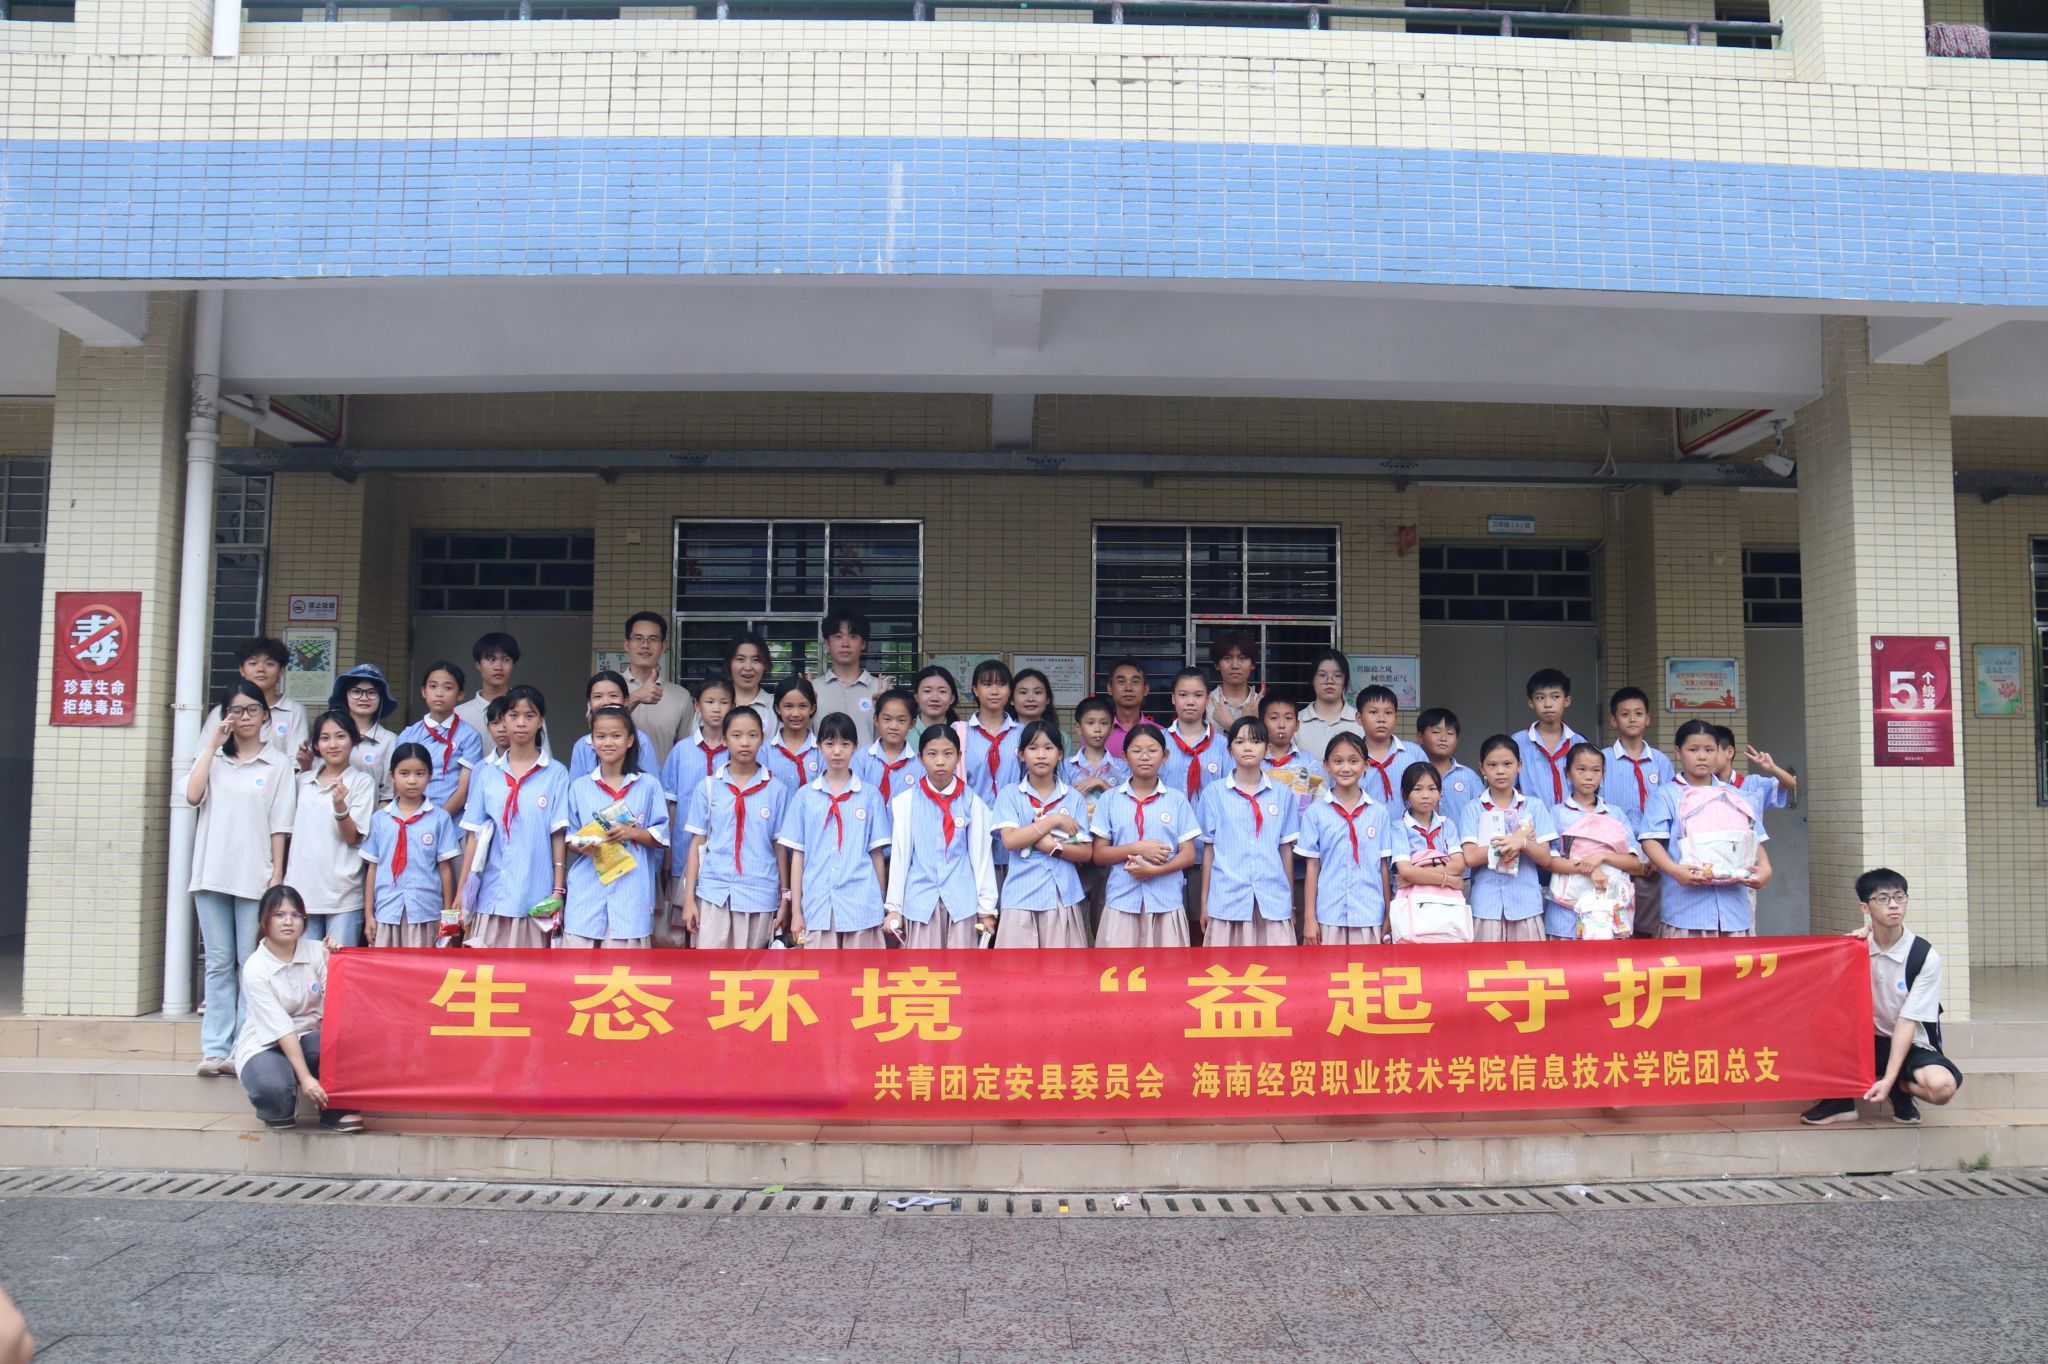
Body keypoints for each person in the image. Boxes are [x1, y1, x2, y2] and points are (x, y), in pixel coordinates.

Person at [185, 680, 296, 1078]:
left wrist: (277, 874)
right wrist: (211, 745)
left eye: (252, 709)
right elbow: (192, 796)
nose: (245, 717)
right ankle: (214, 1049)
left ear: (265, 715)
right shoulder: (213, 757)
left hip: (256, 876)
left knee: (251, 963)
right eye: (236, 710)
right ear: (225, 715)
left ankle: (244, 1047)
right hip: (211, 873)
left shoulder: (278, 763)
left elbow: (280, 825)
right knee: (218, 963)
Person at [1802, 869, 1964, 1127]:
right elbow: (1830, 997)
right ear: (1865, 907)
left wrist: (1888, 1081)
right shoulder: (1854, 947)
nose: (1893, 905)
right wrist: (1845, 950)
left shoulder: (1923, 956)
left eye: (1899, 897)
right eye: (1883, 898)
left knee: (1942, 1088)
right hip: (1865, 1041)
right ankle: (1840, 1100)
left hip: (1911, 1042)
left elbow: (1907, 1022)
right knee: (1822, 1014)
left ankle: (1900, 1088)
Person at [232, 885, 363, 1133]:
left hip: (310, 1035)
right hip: (265, 1042)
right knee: (272, 1088)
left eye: (296, 915)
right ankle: (281, 1101)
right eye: (279, 915)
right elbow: (281, 1028)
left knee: (344, 1044)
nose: (288, 922)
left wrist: (334, 963)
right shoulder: (255, 968)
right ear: (264, 920)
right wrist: (306, 1078)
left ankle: (336, 1109)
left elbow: (338, 1004)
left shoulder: (317, 951)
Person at [454, 685, 571, 949]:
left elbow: (558, 835)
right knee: (485, 969)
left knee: (530, 969)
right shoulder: (486, 772)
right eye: (513, 715)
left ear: (540, 721)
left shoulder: (556, 773)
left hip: (535, 895)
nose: (521, 723)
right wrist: (462, 890)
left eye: (529, 716)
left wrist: (558, 889)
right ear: (503, 719)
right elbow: (474, 835)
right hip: (490, 894)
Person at [1640, 718, 1772, 937]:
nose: (1702, 756)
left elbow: (1753, 838)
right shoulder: (1667, 795)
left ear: (1719, 752)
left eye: (1709, 750)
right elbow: (1650, 840)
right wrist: (1674, 870)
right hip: (1686, 911)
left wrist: (1766, 868)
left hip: (1735, 912)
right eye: (1693, 749)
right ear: (1678, 752)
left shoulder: (1735, 795)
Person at [680, 706, 791, 949]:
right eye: (736, 735)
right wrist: (689, 900)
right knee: (711, 967)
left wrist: (785, 897)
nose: (745, 743)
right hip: (714, 892)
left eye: (752, 735)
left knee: (752, 969)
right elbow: (697, 844)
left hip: (759, 893)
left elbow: (780, 847)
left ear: (762, 739)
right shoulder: (708, 787)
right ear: (724, 740)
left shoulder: (777, 790)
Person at [780, 712, 891, 949]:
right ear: (819, 746)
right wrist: (796, 911)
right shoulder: (805, 796)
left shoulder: (870, 795)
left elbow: (876, 854)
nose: (837, 751)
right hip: (818, 902)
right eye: (830, 744)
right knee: (820, 969)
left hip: (862, 902)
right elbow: (798, 855)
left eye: (845, 744)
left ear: (855, 747)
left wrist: (880, 902)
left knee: (862, 970)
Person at [562, 705, 669, 948]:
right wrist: (582, 845)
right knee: (578, 964)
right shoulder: (579, 787)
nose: (608, 742)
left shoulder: (648, 785)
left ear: (630, 740)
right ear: (592, 741)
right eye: (600, 736)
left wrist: (633, 833)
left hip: (631, 892)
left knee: (625, 965)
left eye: (616, 736)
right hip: (587, 890)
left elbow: (661, 836)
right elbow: (568, 837)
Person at [883, 724, 997, 948]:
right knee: (922, 968)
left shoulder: (973, 803)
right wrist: (895, 907)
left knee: (961, 967)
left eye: (948, 754)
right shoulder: (906, 802)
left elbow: (982, 858)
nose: (940, 761)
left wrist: (986, 908)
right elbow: (900, 857)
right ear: (920, 758)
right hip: (920, 902)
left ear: (959, 757)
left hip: (962, 902)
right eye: (932, 754)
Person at [1090, 723, 1199, 948]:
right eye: (1137, 751)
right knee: (1118, 967)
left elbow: (1188, 855)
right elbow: (1099, 855)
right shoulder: (1110, 799)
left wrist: (1155, 871)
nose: (1145, 757)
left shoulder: (1176, 800)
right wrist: (1137, 848)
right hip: (1122, 900)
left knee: (1167, 967)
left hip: (1166, 901)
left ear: (1165, 756)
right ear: (1124, 757)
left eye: (1152, 750)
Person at [991, 720, 1094, 947]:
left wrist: (1051, 847)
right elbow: (1011, 840)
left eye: (1048, 748)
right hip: (1020, 896)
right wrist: (1054, 820)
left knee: (1062, 967)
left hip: (1062, 895)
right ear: (1021, 754)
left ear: (1060, 754)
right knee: (1019, 968)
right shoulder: (1010, 794)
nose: (1040, 755)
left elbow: (1086, 852)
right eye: (1033, 748)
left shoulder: (1073, 797)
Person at [1199, 716, 1299, 947]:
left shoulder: (1282, 794)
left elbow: (1285, 851)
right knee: (1227, 966)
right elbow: (1209, 850)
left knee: (1276, 965)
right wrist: (1205, 903)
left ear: (1267, 749)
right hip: (1227, 897)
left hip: (1273, 898)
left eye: (1255, 741)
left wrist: (1290, 903)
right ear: (1229, 749)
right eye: (1240, 741)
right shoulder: (1214, 793)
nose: (1247, 747)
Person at [284, 710, 376, 948]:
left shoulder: (362, 782)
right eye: (325, 738)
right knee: (304, 966)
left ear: (354, 739)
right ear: (316, 745)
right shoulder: (302, 781)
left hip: (343, 895)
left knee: (339, 965)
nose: (333, 744)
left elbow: (352, 837)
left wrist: (340, 807)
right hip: (301, 892)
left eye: (340, 736)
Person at [361, 742, 461, 947]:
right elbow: (373, 868)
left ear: (430, 776)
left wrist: (448, 918)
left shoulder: (439, 818)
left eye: (420, 774)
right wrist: (369, 915)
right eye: (404, 774)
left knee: (424, 964)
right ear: (392, 776)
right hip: (387, 911)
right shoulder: (380, 819)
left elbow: (445, 869)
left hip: (427, 912)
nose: (412, 780)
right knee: (388, 965)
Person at [1461, 734, 1559, 942]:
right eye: (1492, 765)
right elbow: (1470, 857)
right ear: (1482, 769)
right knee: (1486, 962)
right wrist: (1512, 840)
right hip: (1487, 904)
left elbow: (1545, 858)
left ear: (1519, 765)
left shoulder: (1534, 806)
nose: (1500, 771)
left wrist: (1522, 843)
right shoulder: (1473, 808)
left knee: (1529, 962)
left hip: (1526, 903)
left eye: (1507, 764)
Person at [1298, 731, 1392, 945]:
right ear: (1326, 765)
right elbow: (1312, 867)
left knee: (1368, 967)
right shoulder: (1315, 813)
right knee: (1327, 967)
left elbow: (1383, 866)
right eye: (1338, 761)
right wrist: (1310, 918)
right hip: (1329, 914)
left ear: (1366, 765)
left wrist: (1388, 913)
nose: (1346, 768)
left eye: (1353, 761)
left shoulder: (1379, 813)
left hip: (1369, 913)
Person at [1545, 743, 1645, 941]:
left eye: (1596, 770)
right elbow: (1549, 861)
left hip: (1609, 910)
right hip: (1566, 911)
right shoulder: (1557, 813)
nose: (1588, 776)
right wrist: (1590, 868)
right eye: (1581, 769)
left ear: (1603, 774)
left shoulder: (1615, 813)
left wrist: (1601, 856)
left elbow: (1635, 863)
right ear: (1567, 772)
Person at [1601, 686, 1672, 937]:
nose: (1632, 719)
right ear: (1613, 720)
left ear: (1648, 719)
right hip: (1614, 851)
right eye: (1625, 714)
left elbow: (1670, 810)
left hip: (1652, 852)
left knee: (1647, 926)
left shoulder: (1661, 762)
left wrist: (1660, 856)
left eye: (1638, 713)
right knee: (1612, 922)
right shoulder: (1602, 760)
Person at [1063, 695, 1126, 931]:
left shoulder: (1122, 767)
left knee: (1104, 916)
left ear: (1112, 727)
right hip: (1075, 848)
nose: (1097, 729)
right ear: (1078, 727)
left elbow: (1128, 805)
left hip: (1107, 847)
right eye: (1090, 723)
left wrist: (1102, 784)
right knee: (1073, 916)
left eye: (1104, 723)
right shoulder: (1065, 766)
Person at [203, 636, 309, 768]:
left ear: (281, 671)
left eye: (269, 664)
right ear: (242, 670)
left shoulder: (294, 711)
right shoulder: (221, 712)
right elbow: (203, 757)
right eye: (253, 663)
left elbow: (296, 763)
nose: (261, 669)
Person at [397, 661, 482, 817]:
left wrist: (437, 821)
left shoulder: (470, 736)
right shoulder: (408, 734)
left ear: (460, 695)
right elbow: (399, 781)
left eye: (448, 688)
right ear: (423, 691)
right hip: (410, 819)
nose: (439, 693)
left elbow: (463, 790)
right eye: (433, 686)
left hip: (451, 823)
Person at [454, 631, 551, 758]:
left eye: (506, 660)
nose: (498, 667)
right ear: (478, 664)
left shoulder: (529, 709)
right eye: (491, 659)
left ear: (513, 664)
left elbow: (545, 758)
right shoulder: (459, 714)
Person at [1392, 763, 1466, 923]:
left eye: (1432, 789)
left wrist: (1415, 876)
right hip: (1413, 903)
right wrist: (1448, 880)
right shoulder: (1399, 828)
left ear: (1440, 792)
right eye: (1417, 789)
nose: (1425, 795)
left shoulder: (1447, 825)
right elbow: (1405, 870)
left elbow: (1459, 864)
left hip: (1446, 904)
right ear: (1405, 793)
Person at [621, 612, 695, 763]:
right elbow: (595, 724)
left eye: (653, 639)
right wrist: (636, 697)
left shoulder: (681, 696)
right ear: (627, 645)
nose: (645, 645)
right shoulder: (607, 686)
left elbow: (685, 751)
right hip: (615, 778)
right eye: (638, 638)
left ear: (663, 646)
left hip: (662, 778)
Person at [812, 608, 889, 746]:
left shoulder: (882, 689)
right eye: (838, 636)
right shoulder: (813, 689)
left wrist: (883, 706)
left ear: (863, 643)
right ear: (828, 643)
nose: (845, 643)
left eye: (853, 636)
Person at [855, 688, 923, 836]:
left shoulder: (920, 764)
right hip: (866, 837)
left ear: (912, 723)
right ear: (876, 720)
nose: (893, 726)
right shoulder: (862, 758)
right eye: (887, 719)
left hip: (904, 839)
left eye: (901, 720)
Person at [329, 662, 401, 803]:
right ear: (345, 696)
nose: (364, 698)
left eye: (372, 693)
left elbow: (388, 795)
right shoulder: (329, 732)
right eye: (356, 692)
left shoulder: (390, 740)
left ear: (381, 698)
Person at [1516, 668, 1587, 806]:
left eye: (1555, 697)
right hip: (1531, 817)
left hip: (1572, 817)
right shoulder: (1517, 742)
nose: (1548, 704)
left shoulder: (1579, 743)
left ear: (1567, 700)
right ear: (1531, 703)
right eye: (1540, 698)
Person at [568, 670, 658, 780]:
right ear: (589, 703)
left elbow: (651, 785)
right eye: (597, 696)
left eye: (613, 695)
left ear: (626, 700)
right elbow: (575, 787)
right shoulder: (582, 746)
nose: (606, 702)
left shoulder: (641, 740)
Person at [1159, 667, 1221, 806]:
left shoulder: (1223, 745)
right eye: (1183, 695)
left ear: (1207, 699)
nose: (1190, 702)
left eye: (1198, 695)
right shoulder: (1158, 741)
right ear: (1173, 698)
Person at [1356, 684, 1427, 806]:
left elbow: (1430, 793)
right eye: (1373, 712)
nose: (1381, 719)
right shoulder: (1352, 756)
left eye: (1388, 712)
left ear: (1396, 718)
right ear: (1359, 718)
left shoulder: (1414, 753)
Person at [1415, 707, 1482, 830]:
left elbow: (1482, 814)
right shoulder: (1412, 775)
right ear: (1420, 737)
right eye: (1436, 732)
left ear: (1457, 740)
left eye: (1450, 733)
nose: (1443, 738)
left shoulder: (1469, 777)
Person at [1295, 649, 1362, 766]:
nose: (1329, 681)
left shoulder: (1361, 722)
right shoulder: (1296, 722)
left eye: (1337, 675)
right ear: (1312, 679)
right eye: (1322, 675)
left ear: (1345, 680)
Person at [765, 676, 824, 790]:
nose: (796, 713)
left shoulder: (822, 751)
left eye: (803, 706)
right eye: (788, 706)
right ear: (777, 708)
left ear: (812, 708)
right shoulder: (764, 751)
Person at [723, 630, 776, 735]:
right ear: (729, 663)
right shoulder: (713, 704)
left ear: (765, 665)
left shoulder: (775, 707)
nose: (748, 667)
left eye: (755, 660)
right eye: (740, 659)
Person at [1207, 630, 1262, 731]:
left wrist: (1230, 726)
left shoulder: (1263, 705)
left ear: (1253, 664)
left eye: (1242, 658)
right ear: (1217, 665)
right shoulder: (1204, 704)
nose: (1235, 665)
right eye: (1227, 658)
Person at [1104, 658, 1151, 760]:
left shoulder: (1160, 732)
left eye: (1135, 682)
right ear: (1110, 688)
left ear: (1146, 689)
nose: (1128, 688)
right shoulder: (1096, 734)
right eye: (1121, 682)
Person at [909, 663, 962, 739]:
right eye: (927, 691)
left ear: (951, 699)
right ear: (916, 697)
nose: (934, 698)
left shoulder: (961, 734)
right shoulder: (903, 734)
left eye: (942, 691)